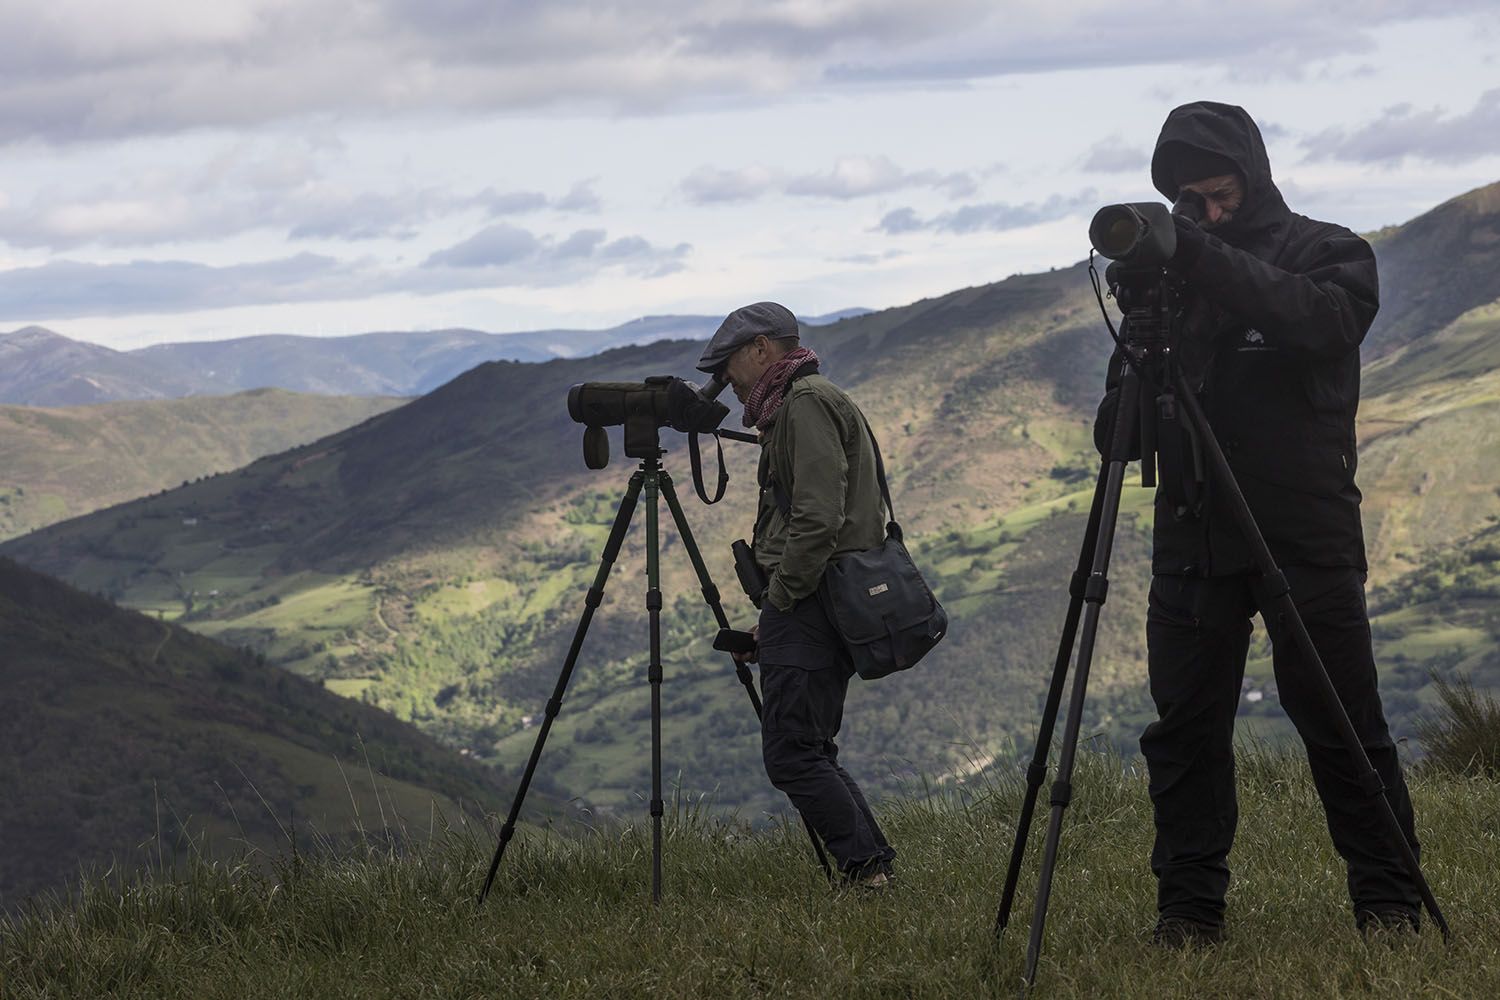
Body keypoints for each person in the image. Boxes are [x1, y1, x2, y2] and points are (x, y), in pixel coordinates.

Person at [1094, 102, 1423, 946]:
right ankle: (1189, 913)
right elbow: (1117, 438)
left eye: (1217, 192)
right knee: (1184, 731)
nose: (1204, 209)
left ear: (1253, 175)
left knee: (1341, 720)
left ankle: (1389, 904)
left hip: (1302, 529)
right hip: (1194, 532)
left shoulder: (1329, 252)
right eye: (1187, 200)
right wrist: (1139, 330)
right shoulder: (1172, 284)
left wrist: (1195, 256)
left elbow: (1323, 322)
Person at [697, 301, 898, 888]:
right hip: (815, 596)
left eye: (729, 363)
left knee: (792, 753)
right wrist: (770, 624)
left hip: (809, 596)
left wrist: (781, 602)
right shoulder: (803, 403)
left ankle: (867, 875)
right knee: (810, 746)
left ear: (762, 349)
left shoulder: (805, 405)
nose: (725, 380)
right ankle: (871, 867)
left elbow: (815, 519)